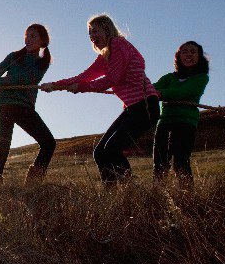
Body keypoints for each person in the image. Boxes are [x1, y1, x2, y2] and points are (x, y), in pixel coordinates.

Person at [41, 14, 159, 185]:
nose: (92, 36)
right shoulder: (105, 56)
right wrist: (54, 85)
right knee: (99, 153)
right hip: (132, 108)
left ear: (107, 29)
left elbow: (113, 79)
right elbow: (84, 76)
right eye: (89, 33)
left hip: (145, 106)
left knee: (112, 149)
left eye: (95, 31)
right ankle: (111, 193)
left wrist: (81, 88)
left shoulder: (118, 44)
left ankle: (130, 189)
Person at [0, 23, 55, 186]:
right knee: (3, 146)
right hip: (4, 106)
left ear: (42, 40)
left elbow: (24, 79)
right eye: (27, 36)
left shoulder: (42, 63)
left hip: (23, 108)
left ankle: (33, 183)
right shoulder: (14, 56)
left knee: (48, 143)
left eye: (33, 36)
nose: (28, 39)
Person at [152, 41, 210, 185]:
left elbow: (184, 92)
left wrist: (160, 94)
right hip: (164, 122)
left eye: (193, 52)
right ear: (178, 56)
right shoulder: (168, 78)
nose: (188, 55)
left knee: (180, 161)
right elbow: (152, 89)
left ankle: (187, 196)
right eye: (184, 52)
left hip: (185, 123)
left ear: (199, 56)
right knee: (159, 162)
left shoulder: (201, 78)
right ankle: (158, 195)